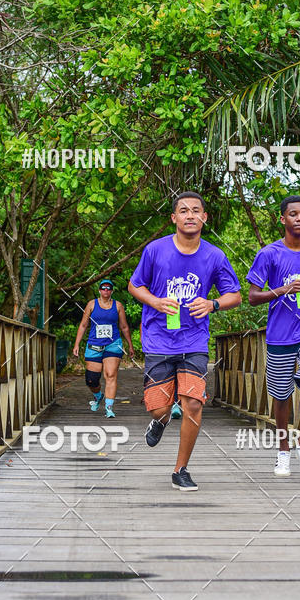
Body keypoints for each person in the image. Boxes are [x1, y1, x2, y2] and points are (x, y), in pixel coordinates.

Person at [128, 191, 242, 491]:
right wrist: (154, 302)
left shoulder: (215, 256)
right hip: (158, 339)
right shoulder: (155, 250)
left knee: (192, 402)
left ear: (204, 217)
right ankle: (161, 421)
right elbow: (134, 285)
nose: (190, 215)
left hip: (194, 340)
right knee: (159, 408)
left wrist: (212, 304)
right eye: (183, 210)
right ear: (174, 218)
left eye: (196, 210)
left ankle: (181, 469)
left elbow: (236, 295)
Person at [247, 195, 300, 477]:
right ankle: (283, 450)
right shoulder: (269, 254)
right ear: (282, 219)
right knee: (281, 396)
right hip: (280, 334)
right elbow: (252, 297)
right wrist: (282, 290)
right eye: (293, 214)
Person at [72, 278, 135, 418]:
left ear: (112, 291)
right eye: (103, 288)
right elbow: (83, 325)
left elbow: (124, 326)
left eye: (109, 288)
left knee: (110, 375)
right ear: (99, 290)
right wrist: (77, 344)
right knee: (91, 379)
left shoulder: (118, 306)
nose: (106, 290)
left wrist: (130, 345)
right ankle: (98, 395)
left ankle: (109, 407)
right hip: (94, 344)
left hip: (113, 344)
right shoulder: (91, 304)